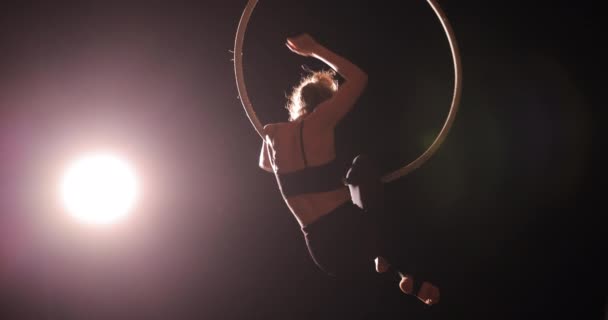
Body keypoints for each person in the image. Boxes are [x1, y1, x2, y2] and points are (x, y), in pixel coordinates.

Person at [258, 33, 440, 306]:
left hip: (323, 251)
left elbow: (265, 165)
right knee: (361, 167)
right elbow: (358, 77)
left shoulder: (271, 133)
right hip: (352, 230)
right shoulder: (323, 120)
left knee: (355, 191)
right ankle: (393, 262)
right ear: (326, 102)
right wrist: (315, 50)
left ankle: (390, 261)